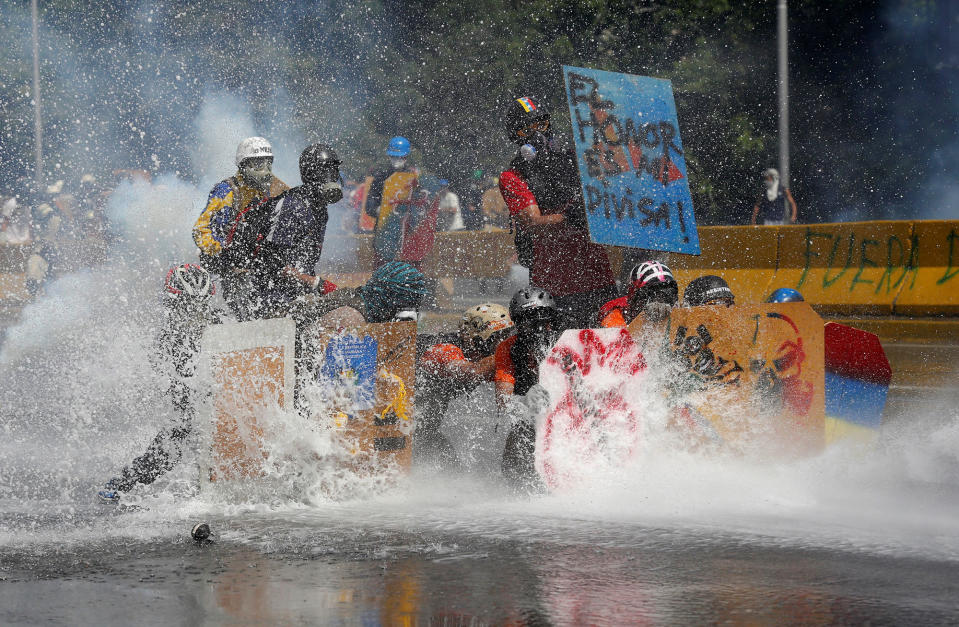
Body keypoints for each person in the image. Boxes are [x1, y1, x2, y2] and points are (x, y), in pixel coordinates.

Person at [98, 264, 222, 502]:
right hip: (187, 398)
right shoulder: (169, 336)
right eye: (187, 307)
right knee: (172, 445)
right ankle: (122, 483)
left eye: (200, 307)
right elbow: (165, 374)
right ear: (173, 304)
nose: (194, 313)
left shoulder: (218, 323)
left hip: (216, 397)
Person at [499, 96, 616, 330]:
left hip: (598, 277)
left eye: (540, 126)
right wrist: (570, 217)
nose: (537, 135)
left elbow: (610, 190)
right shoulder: (512, 176)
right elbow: (532, 221)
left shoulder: (579, 159)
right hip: (552, 289)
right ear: (516, 137)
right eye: (526, 130)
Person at [223, 143, 344, 321]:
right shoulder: (293, 205)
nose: (331, 177)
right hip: (268, 297)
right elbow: (271, 262)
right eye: (325, 171)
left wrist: (312, 285)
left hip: (294, 293)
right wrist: (315, 283)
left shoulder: (320, 210)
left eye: (333, 171)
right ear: (310, 175)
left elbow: (303, 261)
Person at [193, 137, 289, 315]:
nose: (265, 170)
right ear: (243, 165)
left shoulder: (266, 192)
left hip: (253, 262)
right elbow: (200, 229)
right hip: (226, 265)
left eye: (269, 164)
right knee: (244, 311)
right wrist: (222, 251)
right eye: (258, 164)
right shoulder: (227, 190)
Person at [415, 303, 514, 466]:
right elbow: (469, 372)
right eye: (498, 336)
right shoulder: (444, 348)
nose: (505, 342)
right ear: (477, 338)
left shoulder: (484, 357)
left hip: (425, 430)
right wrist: (507, 353)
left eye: (507, 335)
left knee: (452, 470)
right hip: (395, 420)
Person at [494, 287, 561, 484]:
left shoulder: (565, 339)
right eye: (531, 321)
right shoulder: (508, 348)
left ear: (552, 320)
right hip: (529, 417)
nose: (539, 327)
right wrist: (523, 400)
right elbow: (503, 401)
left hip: (568, 412)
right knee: (517, 440)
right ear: (518, 324)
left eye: (544, 320)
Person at [365, 136, 419, 264]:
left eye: (400, 157)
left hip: (407, 233)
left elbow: (419, 205)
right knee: (383, 270)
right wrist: (380, 210)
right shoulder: (380, 177)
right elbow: (369, 205)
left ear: (406, 157)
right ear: (389, 156)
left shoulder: (414, 179)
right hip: (384, 233)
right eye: (393, 157)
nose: (396, 160)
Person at [600, 261, 679, 327]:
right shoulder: (616, 314)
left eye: (667, 294)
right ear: (636, 295)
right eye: (653, 293)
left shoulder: (677, 310)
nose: (660, 302)